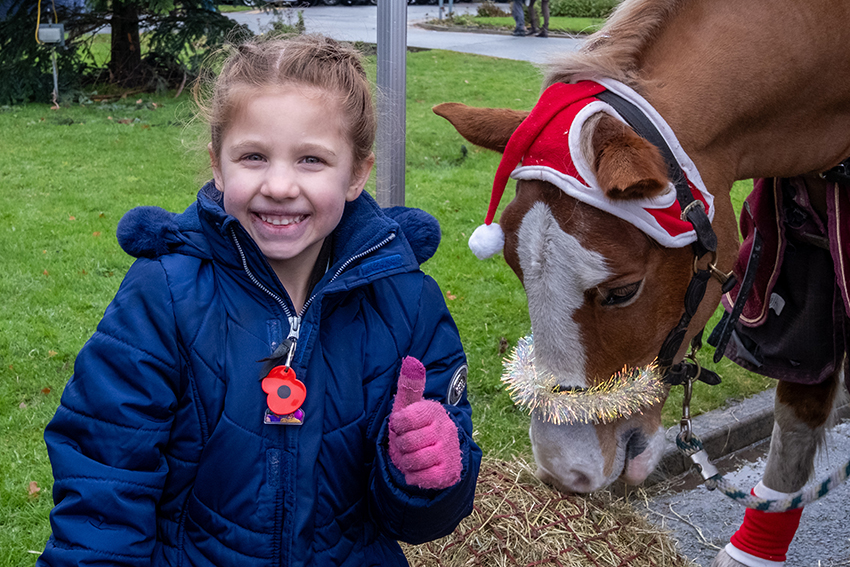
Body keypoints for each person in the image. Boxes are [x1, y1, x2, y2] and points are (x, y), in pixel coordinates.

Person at [37, 34, 481, 567]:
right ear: (218, 166)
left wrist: (424, 471)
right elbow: (105, 482)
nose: (278, 185)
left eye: (312, 160)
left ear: (357, 174)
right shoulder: (163, 295)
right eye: (253, 156)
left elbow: (419, 522)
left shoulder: (406, 302)